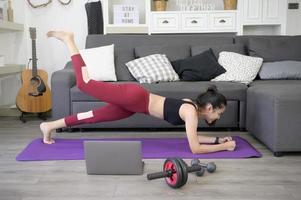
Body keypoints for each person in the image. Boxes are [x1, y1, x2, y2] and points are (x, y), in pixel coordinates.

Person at [40, 31, 236, 154]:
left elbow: (193, 137)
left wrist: (218, 140)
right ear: (209, 107)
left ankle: (50, 126)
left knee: (92, 116)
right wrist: (224, 147)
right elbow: (195, 148)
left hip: (133, 105)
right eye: (219, 112)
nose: (219, 115)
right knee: (84, 83)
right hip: (134, 98)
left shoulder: (191, 109)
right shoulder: (191, 113)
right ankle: (69, 40)